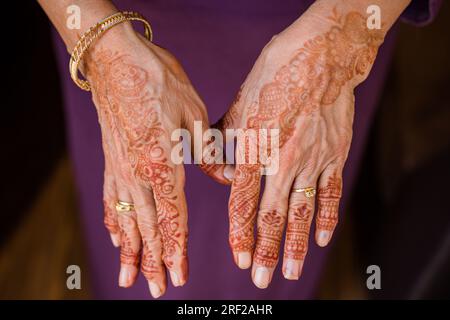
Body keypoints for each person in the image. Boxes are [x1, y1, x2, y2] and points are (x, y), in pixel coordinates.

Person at [39, 0, 441, 299]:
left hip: (326, 31)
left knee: (283, 223)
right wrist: (100, 50)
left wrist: (344, 35)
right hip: (114, 26)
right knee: (143, 232)